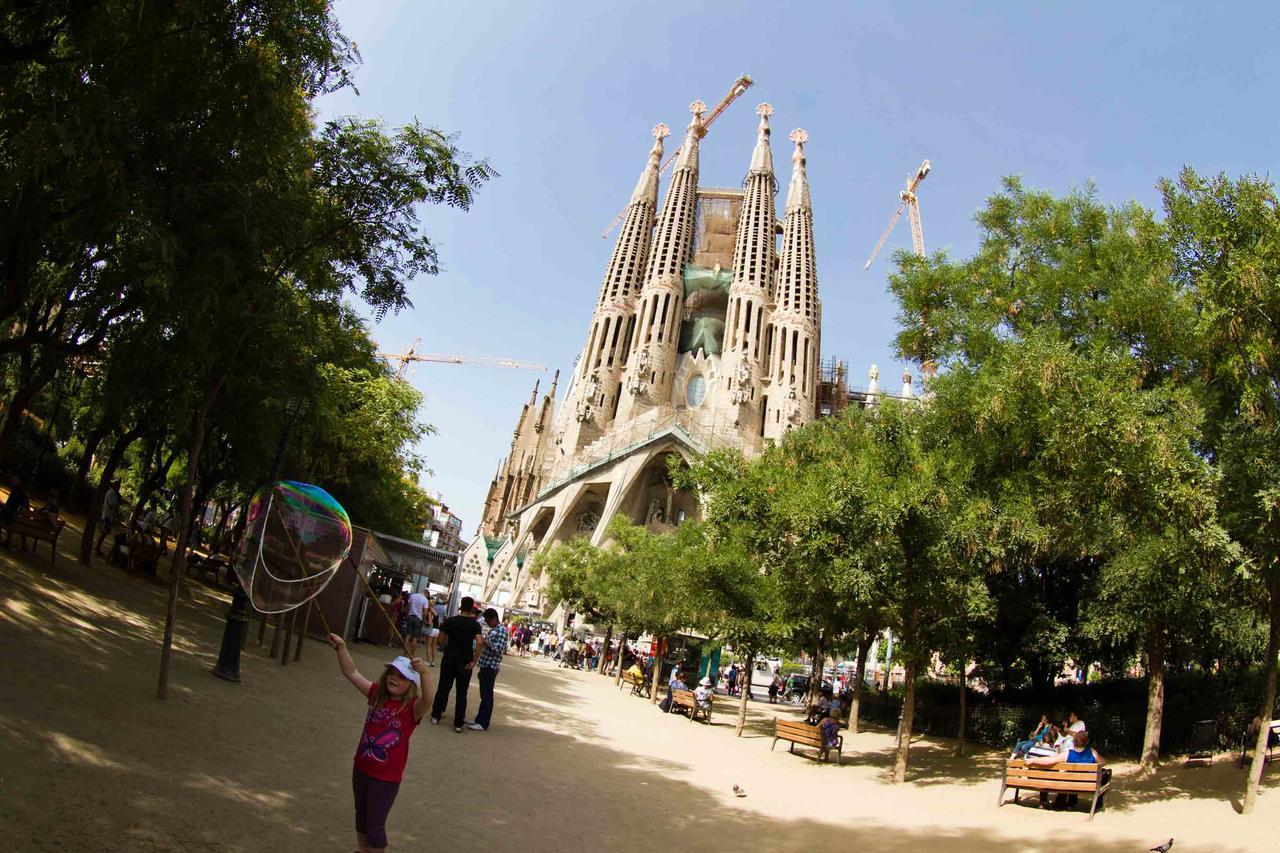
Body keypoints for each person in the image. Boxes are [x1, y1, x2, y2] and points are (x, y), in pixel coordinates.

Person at [327, 634, 433, 853]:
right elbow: (352, 672)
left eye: (402, 677)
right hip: (361, 769)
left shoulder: (412, 710)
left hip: (386, 779)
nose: (394, 678)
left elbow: (428, 699)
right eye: (392, 673)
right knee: (361, 819)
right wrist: (342, 648)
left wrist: (424, 673)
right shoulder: (376, 695)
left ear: (411, 684)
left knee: (375, 826)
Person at [431, 596, 484, 732]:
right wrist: (474, 660)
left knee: (443, 687)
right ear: (472, 608)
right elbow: (479, 642)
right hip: (465, 661)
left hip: (449, 658)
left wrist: (445, 646)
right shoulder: (474, 624)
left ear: (461, 606)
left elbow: (440, 639)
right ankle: (458, 723)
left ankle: (436, 715)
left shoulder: (451, 621)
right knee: (462, 692)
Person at [1028, 730, 1109, 809]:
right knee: (1105, 774)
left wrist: (1034, 760)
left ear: (1073, 742)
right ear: (1086, 742)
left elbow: (1049, 761)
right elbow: (1103, 763)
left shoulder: (1067, 754)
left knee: (1067, 774)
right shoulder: (1091, 752)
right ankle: (1098, 804)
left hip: (1070, 784)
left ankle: (1065, 802)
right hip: (1088, 784)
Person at [467, 608, 510, 731]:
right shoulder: (494, 629)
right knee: (484, 694)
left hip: (491, 666)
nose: (487, 622)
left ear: (494, 618)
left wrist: (485, 642)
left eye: (488, 620)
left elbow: (498, 649)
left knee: (487, 695)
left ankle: (483, 722)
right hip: (486, 665)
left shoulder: (501, 630)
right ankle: (479, 719)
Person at [95, 479, 122, 557]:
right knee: (104, 533)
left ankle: (97, 548)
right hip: (107, 515)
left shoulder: (113, 493)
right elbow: (113, 504)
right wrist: (119, 504)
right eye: (118, 486)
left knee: (104, 533)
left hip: (109, 515)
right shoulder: (111, 493)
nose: (119, 488)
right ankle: (97, 548)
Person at [404, 589, 430, 657]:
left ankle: (405, 654)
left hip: (410, 616)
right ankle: (411, 655)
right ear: (426, 594)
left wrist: (407, 615)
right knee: (415, 638)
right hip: (418, 619)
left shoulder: (413, 596)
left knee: (408, 636)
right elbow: (425, 612)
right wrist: (424, 619)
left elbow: (408, 606)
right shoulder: (425, 600)